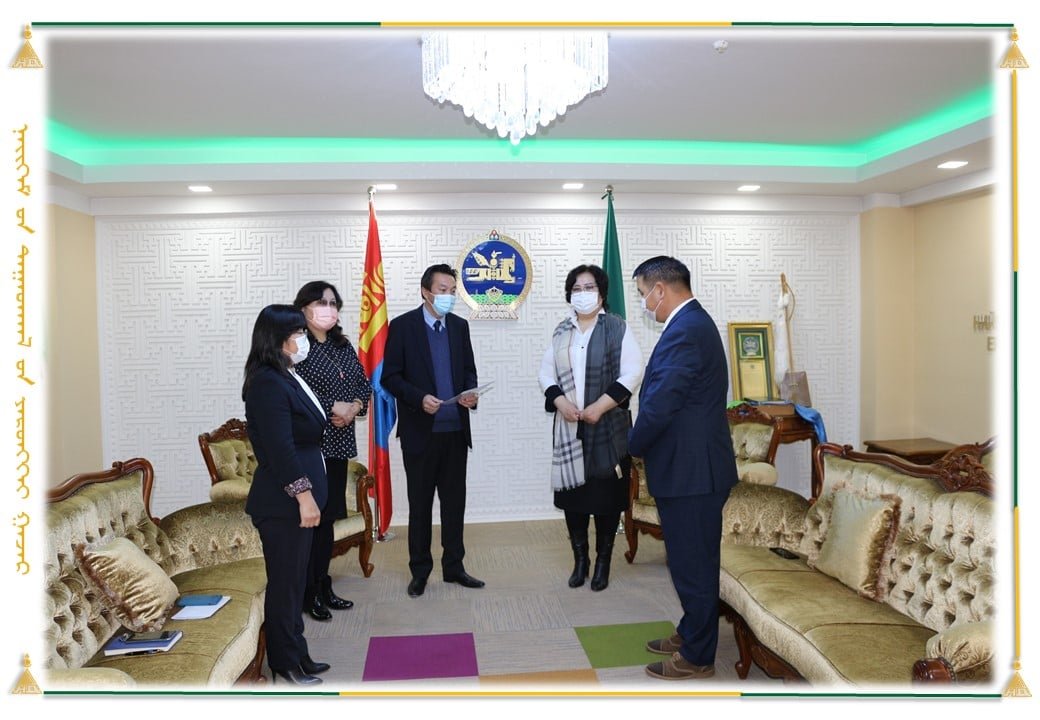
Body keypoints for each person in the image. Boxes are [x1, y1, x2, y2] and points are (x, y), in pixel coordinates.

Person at [627, 256, 738, 681]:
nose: (643, 303)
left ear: (661, 289)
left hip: (693, 473)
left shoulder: (687, 329)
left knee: (694, 566)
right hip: (691, 468)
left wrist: (632, 445)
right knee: (689, 560)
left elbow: (661, 404)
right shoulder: (691, 324)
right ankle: (692, 632)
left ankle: (697, 656)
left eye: (643, 294)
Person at [242, 304, 331, 685]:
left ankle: (298, 652)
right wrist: (304, 497)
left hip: (296, 501)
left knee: (296, 582)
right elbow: (280, 451)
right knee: (285, 585)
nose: (304, 339)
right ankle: (284, 661)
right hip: (285, 504)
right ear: (278, 339)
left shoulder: (286, 376)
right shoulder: (267, 383)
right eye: (298, 333)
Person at [538, 264, 642, 591]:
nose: (582, 294)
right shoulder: (561, 331)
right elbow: (546, 373)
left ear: (602, 293)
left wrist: (600, 407)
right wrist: (560, 402)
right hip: (570, 428)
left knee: (606, 499)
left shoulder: (617, 328)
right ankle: (580, 560)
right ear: (569, 294)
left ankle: (603, 562)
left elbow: (632, 372)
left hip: (608, 427)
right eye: (577, 288)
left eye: (589, 287)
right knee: (575, 499)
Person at [382, 263, 483, 598]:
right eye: (443, 290)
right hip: (420, 433)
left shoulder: (459, 326)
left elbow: (468, 370)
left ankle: (454, 567)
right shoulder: (403, 327)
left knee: (454, 504)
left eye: (453, 291)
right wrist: (418, 398)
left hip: (455, 432)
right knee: (421, 505)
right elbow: (390, 377)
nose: (449, 296)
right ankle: (420, 571)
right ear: (425, 292)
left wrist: (470, 392)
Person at [292, 281, 372, 621]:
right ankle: (307, 592)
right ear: (304, 308)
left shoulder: (342, 344)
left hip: (339, 445)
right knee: (311, 522)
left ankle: (323, 585)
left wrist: (353, 407)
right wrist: (331, 408)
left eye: (333, 303)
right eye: (321, 302)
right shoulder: (296, 346)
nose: (328, 308)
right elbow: (293, 392)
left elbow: (363, 384)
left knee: (328, 520)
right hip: (311, 446)